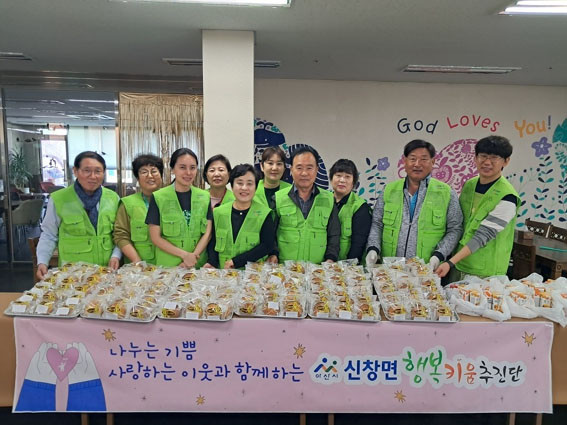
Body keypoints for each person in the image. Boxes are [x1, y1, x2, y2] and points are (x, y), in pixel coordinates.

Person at [366, 139, 463, 270]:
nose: (417, 164)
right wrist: (373, 248)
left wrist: (439, 255)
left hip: (427, 270)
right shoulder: (389, 190)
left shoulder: (446, 193)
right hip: (391, 270)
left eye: (423, 159)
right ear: (405, 161)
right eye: (412, 159)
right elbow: (377, 223)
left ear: (433, 162)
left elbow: (455, 229)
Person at [435, 135, 518, 279]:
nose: (487, 162)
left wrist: (450, 262)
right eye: (483, 156)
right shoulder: (470, 185)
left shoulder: (508, 196)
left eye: (494, 158)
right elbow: (458, 223)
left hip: (486, 273)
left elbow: (484, 235)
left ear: (506, 161)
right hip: (458, 264)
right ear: (475, 158)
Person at [36, 151, 121, 279]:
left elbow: (120, 234)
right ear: (75, 171)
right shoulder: (59, 199)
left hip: (106, 271)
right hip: (72, 274)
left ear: (103, 173)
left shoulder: (113, 198)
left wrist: (116, 256)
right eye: (87, 171)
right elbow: (49, 234)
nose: (93, 176)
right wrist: (42, 261)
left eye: (98, 171)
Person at [146, 148, 212, 268]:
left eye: (192, 168)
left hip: (197, 265)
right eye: (182, 167)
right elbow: (155, 237)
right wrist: (185, 256)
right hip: (169, 266)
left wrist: (192, 257)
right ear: (172, 169)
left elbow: (207, 233)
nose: (188, 172)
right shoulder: (159, 197)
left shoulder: (205, 196)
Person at [274, 146, 340, 263]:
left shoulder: (329, 199)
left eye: (309, 168)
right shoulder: (278, 198)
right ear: (291, 169)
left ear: (317, 170)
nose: (304, 173)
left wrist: (331, 258)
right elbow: (270, 234)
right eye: (299, 168)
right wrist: (273, 254)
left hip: (317, 269)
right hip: (285, 269)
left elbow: (334, 235)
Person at [204, 164, 275, 269]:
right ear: (232, 186)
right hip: (224, 273)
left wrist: (236, 261)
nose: (244, 188)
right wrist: (212, 263)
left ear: (255, 187)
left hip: (253, 275)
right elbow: (213, 242)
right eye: (240, 183)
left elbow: (267, 245)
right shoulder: (218, 212)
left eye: (249, 184)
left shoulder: (264, 213)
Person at [113, 154, 163, 264]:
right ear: (138, 178)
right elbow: (121, 235)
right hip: (138, 268)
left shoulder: (173, 200)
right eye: (144, 172)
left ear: (161, 175)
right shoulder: (127, 204)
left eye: (154, 171)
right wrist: (136, 260)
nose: (150, 176)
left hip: (169, 266)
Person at [329, 159, 372, 262]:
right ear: (331, 179)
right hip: (325, 263)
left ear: (353, 182)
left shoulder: (360, 207)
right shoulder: (324, 201)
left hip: (348, 264)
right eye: (338, 175)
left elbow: (359, 243)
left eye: (347, 177)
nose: (342, 180)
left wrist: (349, 267)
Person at [254, 146, 291, 212]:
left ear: (284, 168)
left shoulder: (291, 191)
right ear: (262, 166)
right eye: (270, 163)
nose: (274, 168)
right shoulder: (253, 189)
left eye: (279, 164)